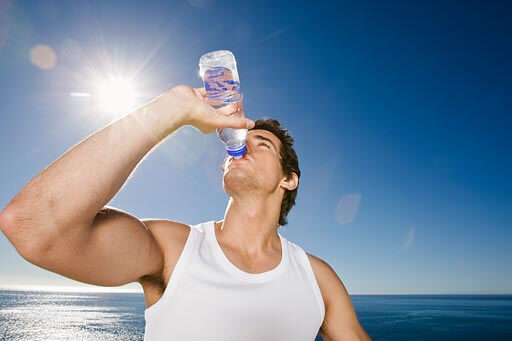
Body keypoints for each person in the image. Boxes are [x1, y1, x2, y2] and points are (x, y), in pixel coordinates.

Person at [0, 85, 371, 340]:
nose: (241, 148)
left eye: (261, 144)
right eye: (240, 141)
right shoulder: (173, 249)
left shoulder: (317, 277)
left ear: (289, 180)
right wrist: (172, 109)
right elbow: (31, 226)